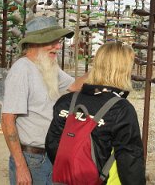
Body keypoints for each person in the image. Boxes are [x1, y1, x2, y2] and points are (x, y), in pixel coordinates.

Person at [45, 42, 146, 185]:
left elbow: (52, 144)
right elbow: (130, 160)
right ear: (123, 70)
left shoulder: (66, 101)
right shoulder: (120, 109)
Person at [1, 16, 86, 185]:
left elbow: (75, 86)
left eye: (58, 41)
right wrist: (21, 167)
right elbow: (7, 121)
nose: (58, 46)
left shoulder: (47, 66)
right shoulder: (22, 70)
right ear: (35, 43)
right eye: (53, 42)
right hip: (32, 160)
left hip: (51, 155)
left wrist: (103, 66)